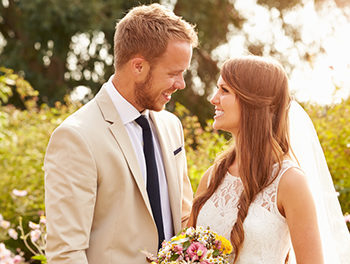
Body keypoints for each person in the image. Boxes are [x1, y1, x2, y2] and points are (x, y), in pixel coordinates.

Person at [44, 4, 198, 264]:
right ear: (138, 66)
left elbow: (184, 217)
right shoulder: (76, 137)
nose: (181, 84)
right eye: (174, 73)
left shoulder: (172, 126)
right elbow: (66, 253)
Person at [188, 56, 326, 263]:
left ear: (252, 101)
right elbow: (187, 247)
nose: (213, 98)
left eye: (224, 90)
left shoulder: (290, 181)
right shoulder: (212, 176)